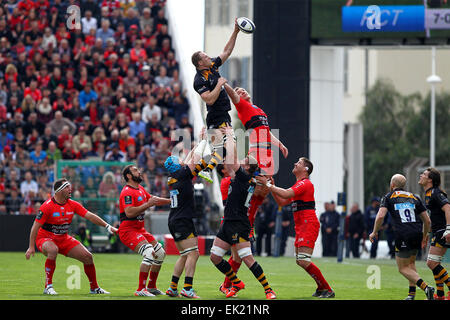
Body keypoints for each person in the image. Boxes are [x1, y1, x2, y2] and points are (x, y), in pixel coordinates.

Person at [209, 127, 277, 300]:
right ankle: (235, 282)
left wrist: (230, 136)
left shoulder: (242, 177)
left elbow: (231, 160)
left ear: (246, 167)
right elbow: (230, 162)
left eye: (244, 160)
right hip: (229, 222)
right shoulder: (243, 178)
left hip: (239, 223)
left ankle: (268, 290)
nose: (241, 160)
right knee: (215, 256)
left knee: (247, 258)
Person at [256, 157, 335, 298]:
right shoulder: (299, 185)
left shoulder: (305, 184)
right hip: (302, 225)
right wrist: (273, 188)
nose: (294, 163)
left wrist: (268, 186)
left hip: (308, 224)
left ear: (305, 169)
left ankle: (327, 289)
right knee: (300, 261)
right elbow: (281, 201)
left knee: (304, 260)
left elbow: (286, 194)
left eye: (298, 162)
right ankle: (322, 288)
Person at [25, 178, 117, 295]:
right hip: (44, 239)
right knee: (53, 250)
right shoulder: (47, 206)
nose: (70, 189)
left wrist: (108, 226)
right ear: (58, 191)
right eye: (67, 187)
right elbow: (35, 227)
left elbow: (89, 216)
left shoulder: (72, 204)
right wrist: (31, 247)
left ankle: (94, 288)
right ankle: (48, 287)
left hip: (63, 238)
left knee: (88, 257)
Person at [223, 83, 288, 233]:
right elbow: (233, 95)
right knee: (253, 189)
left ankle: (248, 226)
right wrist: (224, 83)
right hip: (256, 153)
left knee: (262, 193)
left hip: (267, 155)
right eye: (238, 91)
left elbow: (267, 131)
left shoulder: (258, 110)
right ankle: (244, 227)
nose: (241, 91)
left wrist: (280, 144)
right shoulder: (242, 106)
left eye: (243, 89)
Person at [369, 174, 434, 300]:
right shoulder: (415, 197)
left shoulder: (389, 197)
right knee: (411, 264)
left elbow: (381, 216)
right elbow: (427, 221)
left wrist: (374, 232)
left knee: (402, 268)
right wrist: (425, 235)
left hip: (403, 234)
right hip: (417, 232)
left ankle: (426, 288)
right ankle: (411, 294)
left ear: (392, 185)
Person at [191, 19, 241, 183]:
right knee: (230, 148)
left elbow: (226, 52)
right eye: (204, 56)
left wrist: (236, 31)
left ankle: (209, 170)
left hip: (222, 114)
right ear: (200, 63)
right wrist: (219, 84)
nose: (208, 56)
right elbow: (209, 100)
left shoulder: (212, 65)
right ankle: (215, 171)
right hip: (216, 115)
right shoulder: (199, 80)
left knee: (226, 152)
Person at [163, 133, 211, 299]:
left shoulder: (175, 176)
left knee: (185, 254)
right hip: (182, 220)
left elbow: (190, 159)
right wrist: (204, 141)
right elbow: (195, 159)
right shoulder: (183, 173)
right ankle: (187, 288)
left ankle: (172, 287)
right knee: (193, 253)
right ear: (178, 165)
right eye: (179, 160)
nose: (181, 159)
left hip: (175, 219)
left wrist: (197, 142)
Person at [118, 164, 171, 297]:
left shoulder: (140, 188)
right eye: (135, 170)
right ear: (129, 176)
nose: (139, 171)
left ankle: (151, 287)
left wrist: (172, 201)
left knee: (160, 253)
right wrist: (148, 204)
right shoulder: (127, 192)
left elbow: (154, 200)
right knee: (149, 252)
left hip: (139, 229)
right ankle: (140, 289)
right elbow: (129, 213)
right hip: (128, 230)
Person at [418, 167, 450, 300]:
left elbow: (448, 208)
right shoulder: (428, 193)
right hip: (437, 231)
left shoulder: (436, 193)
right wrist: (426, 235)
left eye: (424, 174)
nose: (421, 175)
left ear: (430, 179)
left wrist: (448, 228)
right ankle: (441, 295)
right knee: (434, 263)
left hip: (443, 231)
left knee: (431, 263)